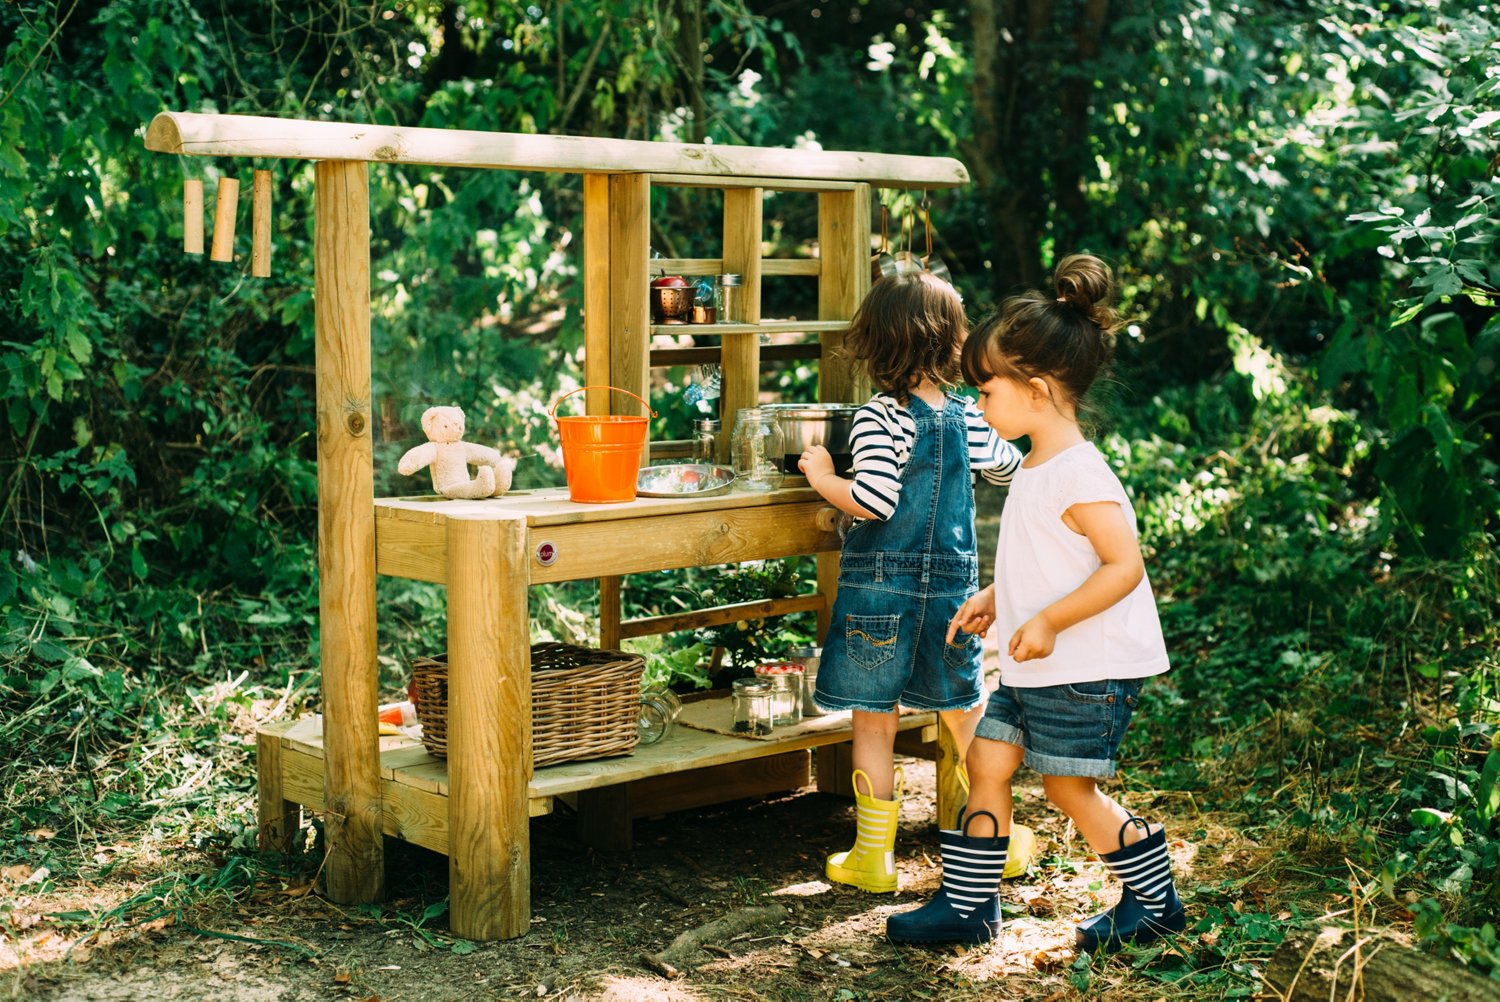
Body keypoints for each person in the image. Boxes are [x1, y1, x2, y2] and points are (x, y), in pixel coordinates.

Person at [886, 254, 1183, 950]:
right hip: (1035, 664)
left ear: (1038, 391)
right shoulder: (1039, 465)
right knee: (987, 763)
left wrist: (1047, 619)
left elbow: (1123, 566)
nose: (978, 406)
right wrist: (1000, 596)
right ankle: (968, 907)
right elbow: (1051, 558)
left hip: (1086, 668)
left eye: (986, 392)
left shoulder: (1081, 473)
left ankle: (1156, 899)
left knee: (1067, 789)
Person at [799, 271, 1024, 895]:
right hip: (953, 594)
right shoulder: (968, 417)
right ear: (952, 342)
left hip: (880, 595)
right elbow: (1009, 467)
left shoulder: (878, 418)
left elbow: (871, 499)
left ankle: (874, 858)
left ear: (875, 343)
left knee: (875, 720)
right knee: (963, 710)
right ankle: (994, 839)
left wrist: (822, 474)